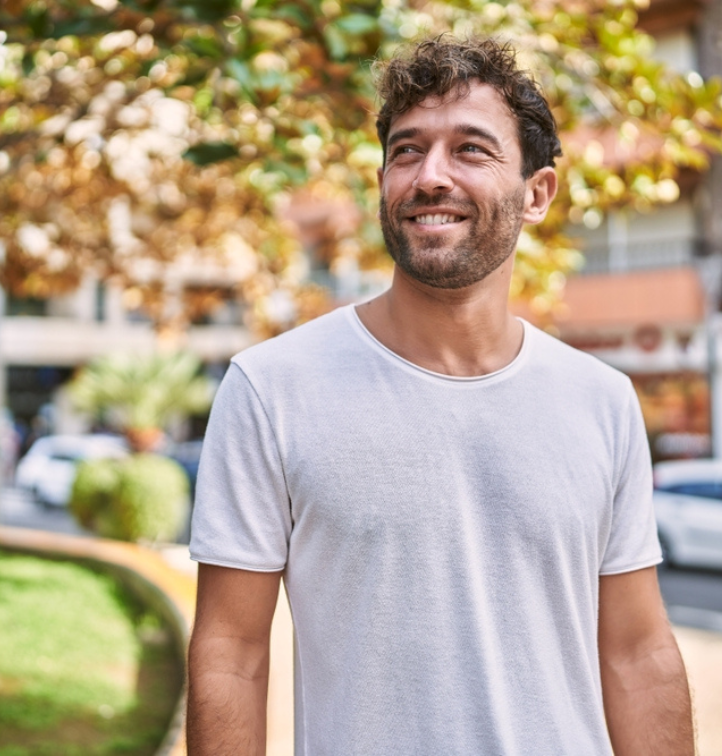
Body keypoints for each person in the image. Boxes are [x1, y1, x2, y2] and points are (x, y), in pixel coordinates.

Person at [187, 36, 693, 756]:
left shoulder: (602, 401)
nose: (430, 176)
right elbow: (230, 655)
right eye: (406, 150)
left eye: (471, 150)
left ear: (537, 193)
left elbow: (639, 655)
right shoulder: (271, 389)